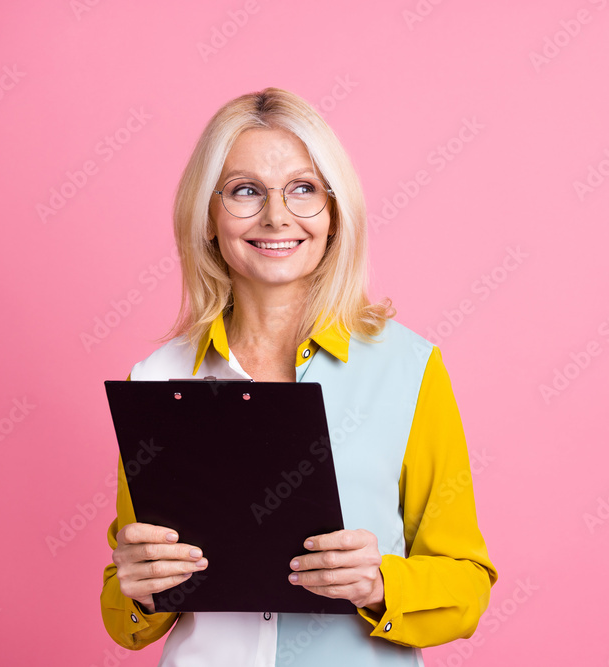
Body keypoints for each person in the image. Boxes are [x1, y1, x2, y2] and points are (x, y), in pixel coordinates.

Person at [100, 87, 498, 666]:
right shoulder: (156, 380)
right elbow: (125, 614)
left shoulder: (409, 370)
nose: (277, 215)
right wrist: (139, 585)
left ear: (335, 214)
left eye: (304, 189)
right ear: (208, 218)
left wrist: (381, 583)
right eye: (244, 191)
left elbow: (468, 583)